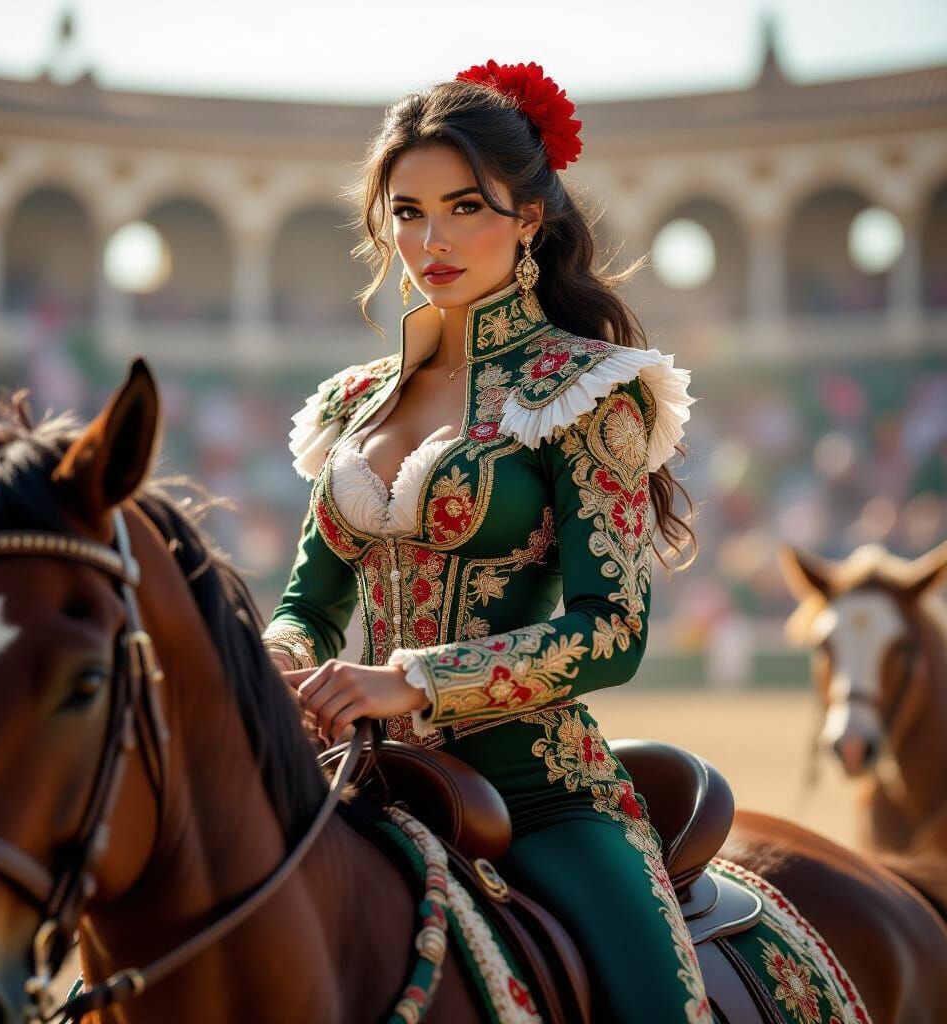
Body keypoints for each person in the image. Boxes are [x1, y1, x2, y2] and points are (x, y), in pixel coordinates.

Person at [264, 59, 711, 1023]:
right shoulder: (351, 402)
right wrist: (275, 662)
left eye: (466, 207)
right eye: (409, 211)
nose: (432, 240)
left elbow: (611, 629)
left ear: (529, 217)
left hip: (540, 793)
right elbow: (309, 604)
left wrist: (413, 679)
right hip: (357, 777)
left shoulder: (587, 387)